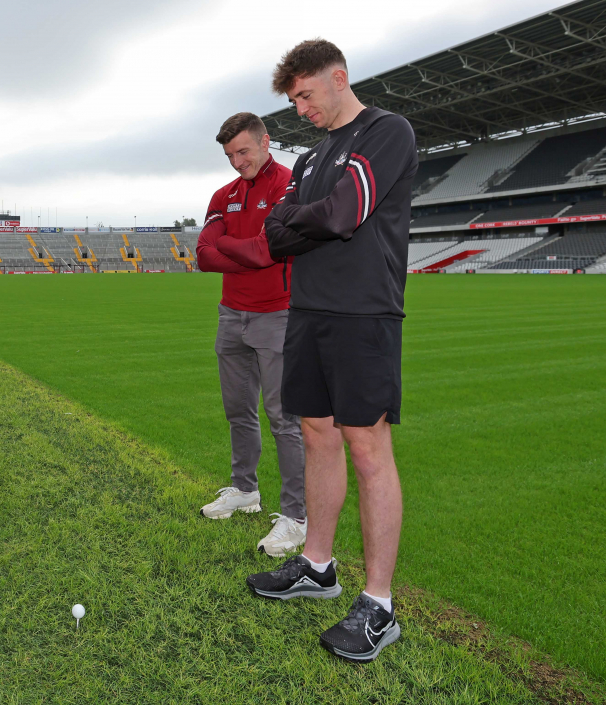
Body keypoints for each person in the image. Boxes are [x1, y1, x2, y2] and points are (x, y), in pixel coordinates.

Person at [219, 40, 417, 662]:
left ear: (339, 78)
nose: (300, 109)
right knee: (317, 434)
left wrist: (303, 219)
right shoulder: (309, 158)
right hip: (306, 310)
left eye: (306, 95)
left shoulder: (385, 132)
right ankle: (317, 566)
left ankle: (379, 605)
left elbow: (344, 215)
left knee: (368, 445)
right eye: (293, 99)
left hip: (363, 313)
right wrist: (305, 218)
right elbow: (277, 233)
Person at [195, 112, 307, 557]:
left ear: (266, 142)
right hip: (231, 314)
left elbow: (268, 251)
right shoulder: (224, 194)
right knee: (238, 410)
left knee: (284, 419)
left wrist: (234, 247)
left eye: (243, 151)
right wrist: (248, 252)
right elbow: (204, 256)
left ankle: (296, 516)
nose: (237, 161)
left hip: (277, 314)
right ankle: (245, 490)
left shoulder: (289, 186)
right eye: (229, 155)